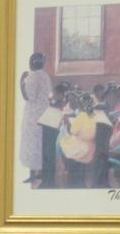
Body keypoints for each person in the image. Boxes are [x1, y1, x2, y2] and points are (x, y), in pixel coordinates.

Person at [18, 54, 56, 187]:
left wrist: (21, 82)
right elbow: (49, 94)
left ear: (32, 63)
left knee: (31, 142)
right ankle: (40, 173)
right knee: (40, 142)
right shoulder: (45, 76)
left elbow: (29, 97)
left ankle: (33, 175)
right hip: (43, 113)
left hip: (33, 115)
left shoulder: (32, 76)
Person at [57, 90, 102, 188]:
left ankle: (70, 176)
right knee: (81, 170)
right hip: (91, 147)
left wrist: (67, 122)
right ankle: (79, 182)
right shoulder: (94, 116)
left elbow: (72, 131)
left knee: (62, 143)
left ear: (82, 105)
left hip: (81, 148)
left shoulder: (82, 116)